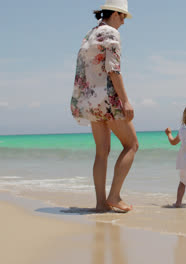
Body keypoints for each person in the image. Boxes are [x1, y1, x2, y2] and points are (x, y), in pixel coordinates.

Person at [70, 0, 136, 212]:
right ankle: (114, 196)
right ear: (116, 14)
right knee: (132, 145)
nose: (124, 22)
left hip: (90, 100)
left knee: (101, 152)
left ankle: (100, 204)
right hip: (108, 99)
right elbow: (113, 69)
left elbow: (83, 69)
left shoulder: (90, 33)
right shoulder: (111, 33)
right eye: (123, 17)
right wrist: (125, 100)